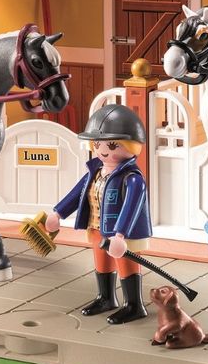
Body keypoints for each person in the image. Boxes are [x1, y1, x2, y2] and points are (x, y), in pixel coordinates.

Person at [45, 104, 153, 324]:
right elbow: (77, 194)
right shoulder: (95, 173)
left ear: (131, 145)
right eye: (97, 144)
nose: (103, 150)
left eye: (112, 145)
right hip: (96, 227)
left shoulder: (132, 178)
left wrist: (120, 235)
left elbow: (131, 207)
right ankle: (106, 298)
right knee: (102, 262)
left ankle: (134, 305)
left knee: (126, 265)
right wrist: (58, 213)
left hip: (121, 234)